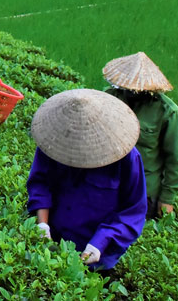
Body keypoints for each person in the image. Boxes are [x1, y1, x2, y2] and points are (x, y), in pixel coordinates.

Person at [26, 88, 147, 272]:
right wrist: (42, 224)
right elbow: (40, 182)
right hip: (50, 242)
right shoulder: (53, 139)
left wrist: (100, 242)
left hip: (96, 255)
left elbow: (132, 212)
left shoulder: (127, 158)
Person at [103, 51, 178, 218]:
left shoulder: (167, 112)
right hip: (106, 183)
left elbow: (176, 160)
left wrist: (167, 199)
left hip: (143, 192)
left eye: (137, 88)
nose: (132, 91)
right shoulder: (109, 97)